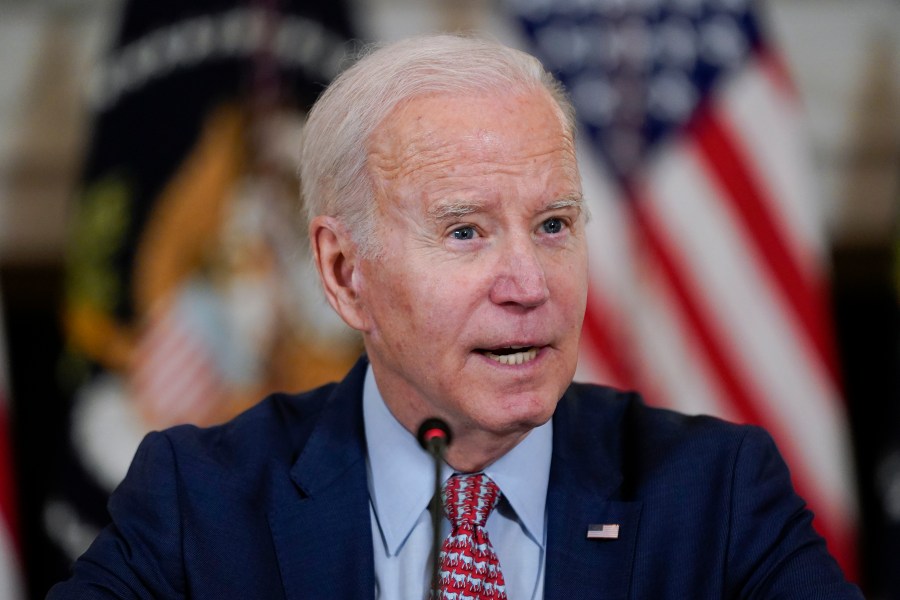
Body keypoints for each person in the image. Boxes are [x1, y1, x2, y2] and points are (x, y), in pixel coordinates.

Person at [48, 33, 862, 599]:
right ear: (342, 272)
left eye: (553, 225)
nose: (528, 282)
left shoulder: (714, 496)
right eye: (465, 231)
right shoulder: (201, 504)